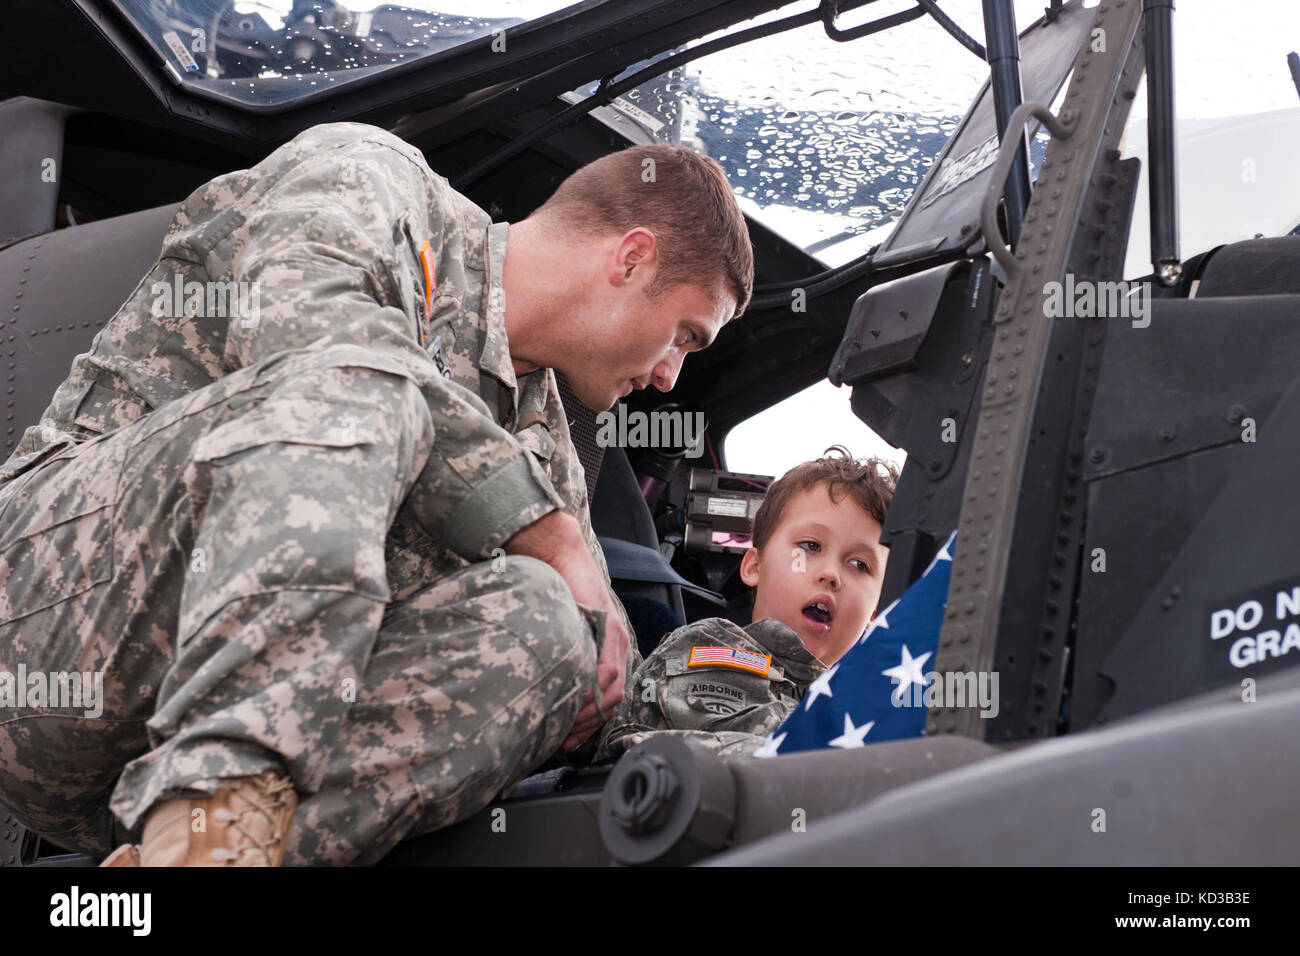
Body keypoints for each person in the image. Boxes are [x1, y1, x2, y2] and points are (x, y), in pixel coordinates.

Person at [0, 122, 753, 865]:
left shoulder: (542, 435)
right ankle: (228, 789)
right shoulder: (371, 176)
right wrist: (548, 534)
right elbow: (317, 346)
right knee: (360, 376)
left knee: (551, 627)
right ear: (631, 257)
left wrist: (763, 708)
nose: (669, 378)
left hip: (127, 778)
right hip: (48, 621)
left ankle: (195, 854)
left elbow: (607, 658)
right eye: (685, 336)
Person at [599, 447, 897, 760]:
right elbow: (765, 753)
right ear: (754, 567)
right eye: (811, 546)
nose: (831, 575)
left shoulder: (857, 705)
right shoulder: (715, 647)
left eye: (860, 564)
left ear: (873, 616)